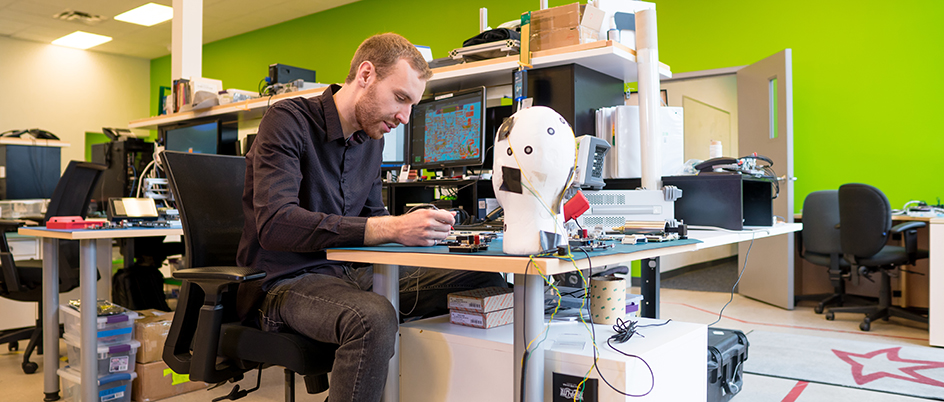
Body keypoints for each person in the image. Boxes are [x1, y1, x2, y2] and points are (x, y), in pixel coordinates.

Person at [236, 33, 507, 402]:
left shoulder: (370, 141)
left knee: (484, 276)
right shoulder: (287, 121)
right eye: (401, 98)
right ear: (365, 75)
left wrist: (429, 235)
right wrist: (392, 226)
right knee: (373, 318)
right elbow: (275, 224)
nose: (405, 116)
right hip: (285, 283)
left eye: (411, 104)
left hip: (349, 274)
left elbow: (373, 218)